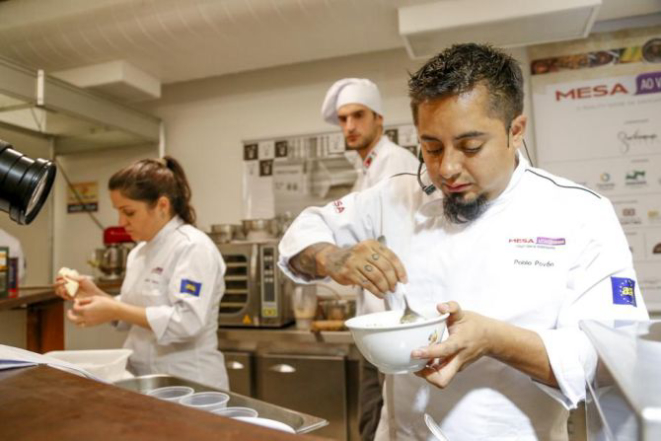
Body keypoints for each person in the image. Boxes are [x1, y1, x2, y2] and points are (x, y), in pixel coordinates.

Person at [279, 44, 649, 440]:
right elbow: (302, 233)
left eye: (471, 147)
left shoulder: (578, 212)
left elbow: (614, 358)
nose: (447, 169)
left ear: (515, 130)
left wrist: (495, 340)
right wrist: (331, 257)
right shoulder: (398, 195)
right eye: (431, 147)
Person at [54, 156, 229, 390]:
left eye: (129, 212)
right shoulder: (138, 253)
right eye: (118, 212)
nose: (121, 222)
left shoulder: (192, 247)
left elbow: (187, 322)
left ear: (162, 206)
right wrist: (94, 295)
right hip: (143, 379)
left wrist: (114, 308)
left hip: (189, 381)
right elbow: (131, 312)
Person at [321, 78, 419, 440]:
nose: (349, 126)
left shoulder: (394, 163)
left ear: (379, 117)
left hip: (391, 321)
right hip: (375, 320)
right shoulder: (368, 168)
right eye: (343, 119)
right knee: (374, 417)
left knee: (384, 419)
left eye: (357, 116)